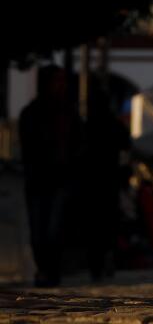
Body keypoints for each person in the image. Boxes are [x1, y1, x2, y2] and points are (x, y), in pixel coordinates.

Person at [18, 65, 81, 287]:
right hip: (39, 179)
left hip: (61, 179)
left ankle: (51, 270)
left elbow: (77, 144)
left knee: (54, 228)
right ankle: (44, 269)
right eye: (57, 81)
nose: (60, 86)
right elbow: (28, 148)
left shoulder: (69, 112)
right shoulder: (32, 113)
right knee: (38, 231)